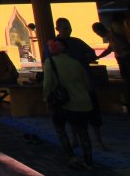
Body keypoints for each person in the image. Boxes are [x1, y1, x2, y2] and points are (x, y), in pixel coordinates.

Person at [43, 38, 94, 170]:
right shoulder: (76, 63)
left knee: (60, 131)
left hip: (63, 103)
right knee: (83, 133)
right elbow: (86, 84)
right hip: (82, 101)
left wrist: (46, 99)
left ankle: (72, 157)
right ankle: (89, 162)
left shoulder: (50, 62)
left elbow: (47, 83)